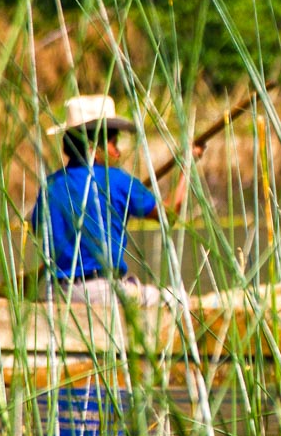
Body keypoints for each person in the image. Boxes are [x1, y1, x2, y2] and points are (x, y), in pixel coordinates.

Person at [32, 95, 201, 304]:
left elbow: (39, 230)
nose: (118, 153)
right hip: (100, 291)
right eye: (114, 144)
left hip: (57, 291)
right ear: (95, 146)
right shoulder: (118, 181)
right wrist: (187, 164)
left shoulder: (50, 185)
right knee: (178, 298)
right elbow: (170, 213)